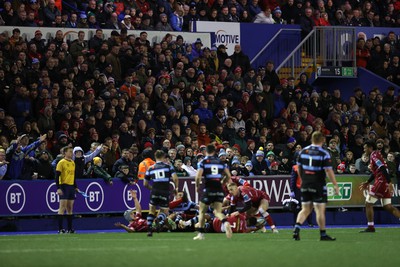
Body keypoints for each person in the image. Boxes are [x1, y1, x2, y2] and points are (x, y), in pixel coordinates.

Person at [293, 131, 339, 241]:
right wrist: (335, 185)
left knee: (305, 209)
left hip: (305, 183)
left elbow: (298, 168)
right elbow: (328, 170)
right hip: (318, 183)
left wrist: (303, 179)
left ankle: (296, 228)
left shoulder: (303, 151)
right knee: (319, 210)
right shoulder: (324, 153)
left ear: (311, 139)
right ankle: (323, 234)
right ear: (322, 140)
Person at [359, 140, 400, 232]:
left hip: (381, 181)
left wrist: (389, 182)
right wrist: (368, 181)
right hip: (383, 181)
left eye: (365, 147)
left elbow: (382, 168)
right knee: (388, 206)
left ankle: (370, 227)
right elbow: (377, 171)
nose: (364, 149)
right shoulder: (376, 155)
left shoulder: (374, 155)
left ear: (370, 148)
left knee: (368, 203)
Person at [194, 144, 232, 240]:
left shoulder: (203, 162)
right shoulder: (220, 162)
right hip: (219, 188)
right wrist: (222, 182)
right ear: (215, 152)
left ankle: (201, 234)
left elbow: (198, 176)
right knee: (217, 212)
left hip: (209, 188)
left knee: (202, 211)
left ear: (205, 151)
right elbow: (228, 175)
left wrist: (197, 186)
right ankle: (225, 222)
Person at [144, 150, 179, 237]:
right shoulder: (168, 166)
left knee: (151, 211)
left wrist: (152, 188)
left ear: (155, 157)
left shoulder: (150, 168)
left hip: (155, 191)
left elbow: (145, 184)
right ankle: (159, 219)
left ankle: (149, 229)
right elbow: (175, 178)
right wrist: (176, 188)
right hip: (164, 191)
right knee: (165, 212)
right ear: (163, 157)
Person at [56, 146, 79, 234]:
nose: (71, 153)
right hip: (64, 186)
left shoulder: (73, 163)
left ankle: (70, 229)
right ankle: (60, 229)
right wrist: (58, 188)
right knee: (62, 207)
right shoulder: (61, 162)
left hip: (71, 187)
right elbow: (57, 176)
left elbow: (73, 177)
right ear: (65, 153)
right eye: (70, 151)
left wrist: (75, 187)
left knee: (70, 208)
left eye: (72, 151)